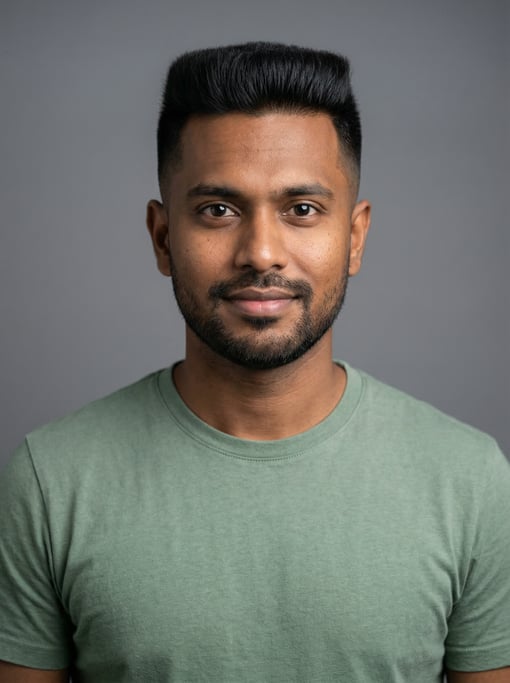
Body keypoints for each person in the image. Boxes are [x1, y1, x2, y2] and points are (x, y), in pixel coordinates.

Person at [0, 42, 509, 683]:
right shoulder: (52, 482)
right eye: (218, 210)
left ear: (354, 237)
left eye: (302, 210)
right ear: (163, 238)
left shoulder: (469, 482)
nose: (262, 252)